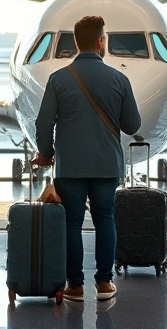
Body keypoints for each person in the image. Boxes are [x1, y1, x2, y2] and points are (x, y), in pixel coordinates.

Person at [31, 16, 142, 302]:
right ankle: (104, 284)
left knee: (72, 223)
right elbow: (132, 125)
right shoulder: (119, 79)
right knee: (106, 220)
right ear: (101, 41)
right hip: (106, 164)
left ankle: (75, 286)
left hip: (70, 166)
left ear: (77, 43)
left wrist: (45, 153)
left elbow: (43, 123)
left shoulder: (58, 79)